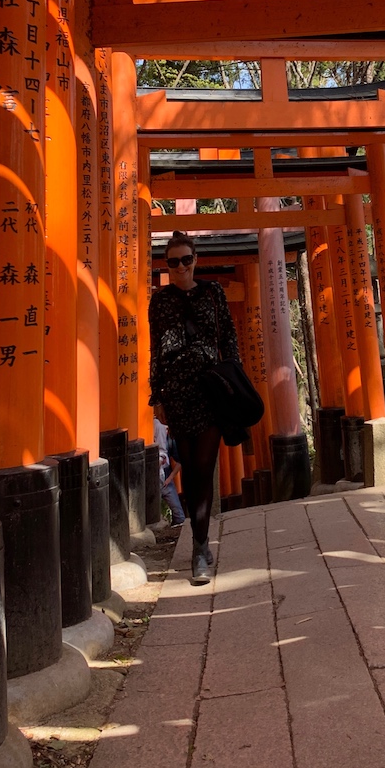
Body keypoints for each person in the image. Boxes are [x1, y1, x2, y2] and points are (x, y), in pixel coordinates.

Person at [149, 231, 240, 584]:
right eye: (174, 262)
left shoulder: (213, 293)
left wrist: (234, 375)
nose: (181, 267)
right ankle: (200, 540)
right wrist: (156, 396)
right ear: (167, 265)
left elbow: (228, 336)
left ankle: (199, 547)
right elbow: (157, 350)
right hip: (176, 392)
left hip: (211, 388)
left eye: (187, 259)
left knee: (204, 466)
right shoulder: (160, 302)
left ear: (195, 260)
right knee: (190, 467)